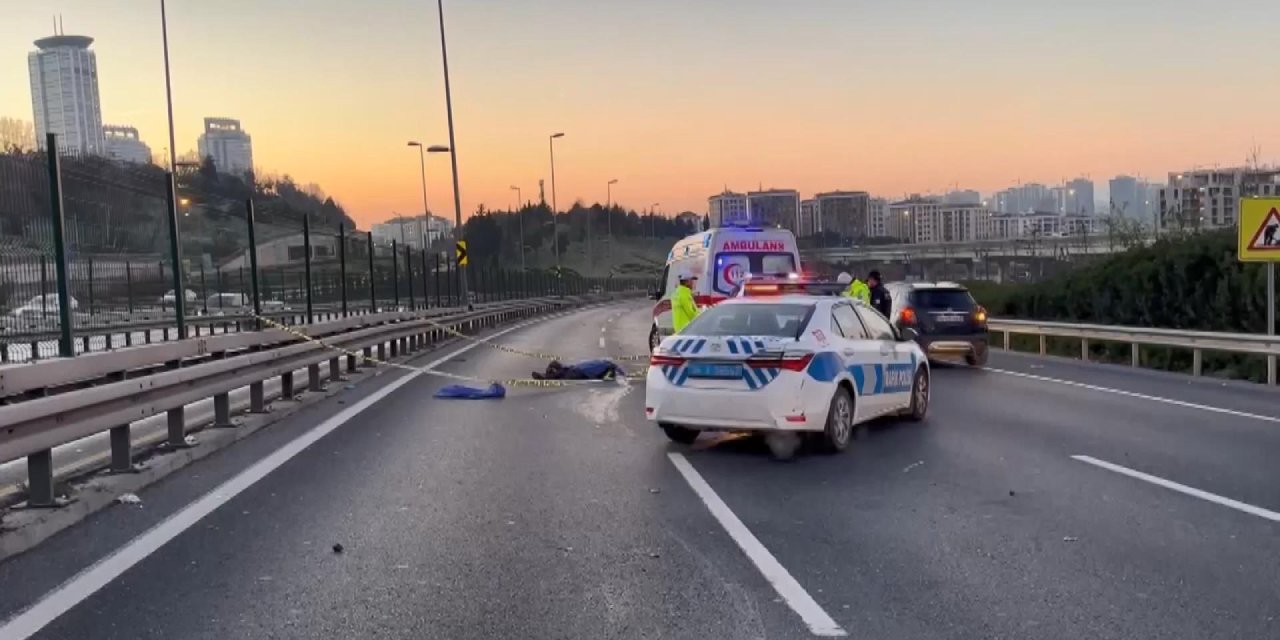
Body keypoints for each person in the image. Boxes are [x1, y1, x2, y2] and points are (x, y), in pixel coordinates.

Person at [532, 359, 623, 381]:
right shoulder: (607, 366)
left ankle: (546, 376)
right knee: (564, 373)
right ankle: (547, 375)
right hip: (579, 370)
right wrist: (623, 375)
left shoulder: (606, 364)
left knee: (565, 375)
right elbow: (619, 371)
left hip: (579, 371)